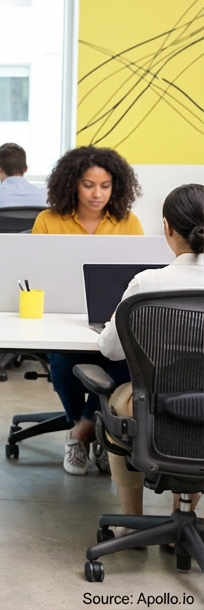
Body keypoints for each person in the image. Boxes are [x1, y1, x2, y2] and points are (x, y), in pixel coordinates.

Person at [32, 145, 143, 475]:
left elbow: (137, 278)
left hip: (111, 319)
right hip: (61, 317)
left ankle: (80, 432)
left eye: (105, 186)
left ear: (116, 186)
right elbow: (35, 273)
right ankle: (93, 429)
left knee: (126, 362)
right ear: (72, 184)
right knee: (63, 362)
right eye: (89, 185)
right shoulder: (49, 221)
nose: (98, 194)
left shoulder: (128, 222)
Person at [97, 183, 204, 521]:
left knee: (120, 402)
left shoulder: (147, 284)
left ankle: (133, 522)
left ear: (167, 228)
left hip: (157, 407)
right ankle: (181, 522)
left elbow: (110, 350)